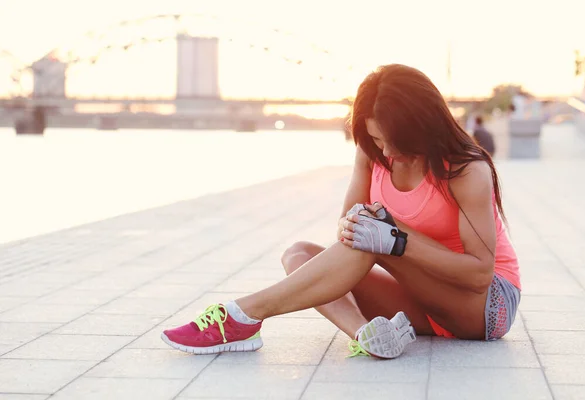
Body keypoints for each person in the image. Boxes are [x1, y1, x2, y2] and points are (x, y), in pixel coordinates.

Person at [161, 64, 521, 359]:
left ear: (423, 126)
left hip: (484, 305)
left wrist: (396, 241)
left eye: (396, 141)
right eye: (378, 140)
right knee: (299, 253)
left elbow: (478, 274)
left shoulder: (465, 170)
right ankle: (366, 336)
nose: (387, 152)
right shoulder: (373, 153)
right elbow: (348, 230)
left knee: (375, 237)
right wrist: (364, 229)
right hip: (420, 299)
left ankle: (243, 314)